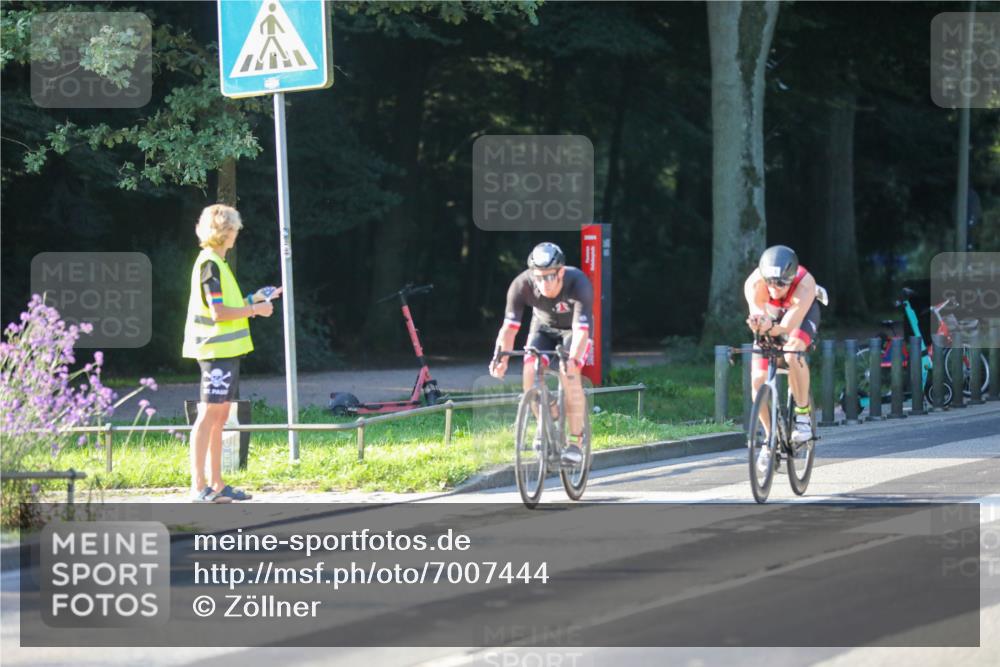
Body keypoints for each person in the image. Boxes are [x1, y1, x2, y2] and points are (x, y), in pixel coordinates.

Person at [182, 204, 282, 503]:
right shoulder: (210, 264)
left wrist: (254, 299)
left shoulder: (218, 263)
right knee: (208, 415)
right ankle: (199, 487)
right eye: (235, 228)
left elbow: (228, 306)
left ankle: (217, 483)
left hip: (226, 352)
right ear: (225, 232)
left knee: (220, 416)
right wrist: (255, 310)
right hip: (215, 352)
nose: (237, 233)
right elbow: (219, 313)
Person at [489, 242, 593, 466]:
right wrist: (501, 359)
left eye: (549, 277)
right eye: (538, 277)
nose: (543, 283)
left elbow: (581, 332)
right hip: (543, 328)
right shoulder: (522, 284)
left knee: (569, 373)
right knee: (529, 370)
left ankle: (576, 442)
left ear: (561, 273)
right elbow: (509, 329)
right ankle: (543, 422)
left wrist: (573, 360)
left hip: (573, 331)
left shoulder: (578, 282)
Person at [744, 245, 824, 472]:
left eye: (780, 283)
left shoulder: (805, 284)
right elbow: (757, 316)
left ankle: (803, 416)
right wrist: (759, 324)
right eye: (770, 282)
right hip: (771, 318)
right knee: (757, 380)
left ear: (791, 279)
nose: (774, 287)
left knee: (792, 352)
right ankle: (770, 439)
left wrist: (772, 327)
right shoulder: (754, 284)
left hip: (801, 316)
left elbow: (787, 326)